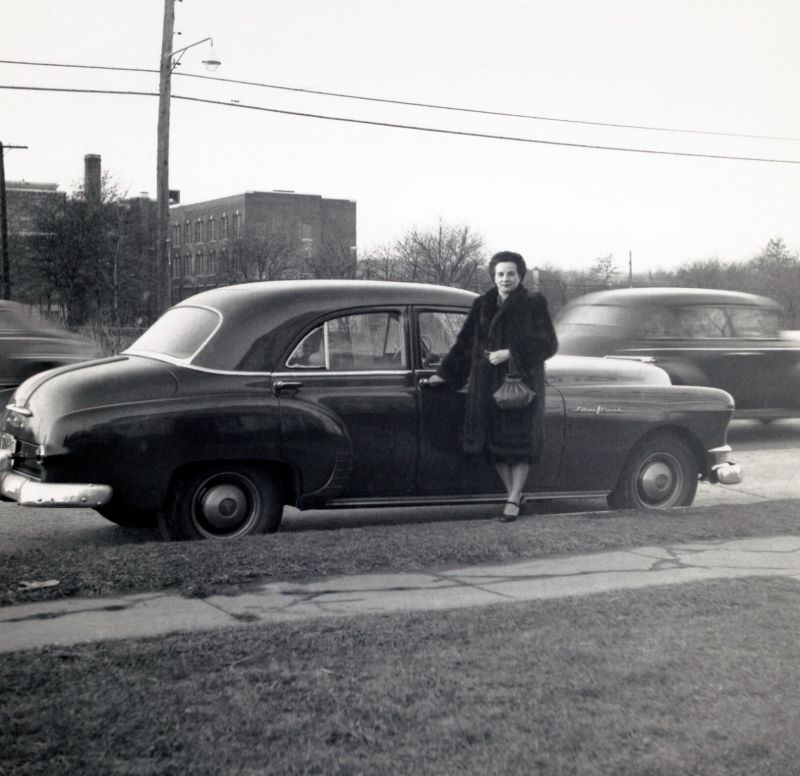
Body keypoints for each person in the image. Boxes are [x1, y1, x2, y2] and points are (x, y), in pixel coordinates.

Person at [427, 251, 558, 521]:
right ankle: (515, 495)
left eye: (511, 273)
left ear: (520, 276)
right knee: (495, 445)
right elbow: (465, 343)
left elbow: (548, 344)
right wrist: (445, 373)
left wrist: (511, 353)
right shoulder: (483, 304)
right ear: (493, 276)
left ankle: (512, 500)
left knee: (519, 444)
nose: (505, 278)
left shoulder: (533, 302)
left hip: (519, 385)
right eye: (500, 273)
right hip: (486, 384)